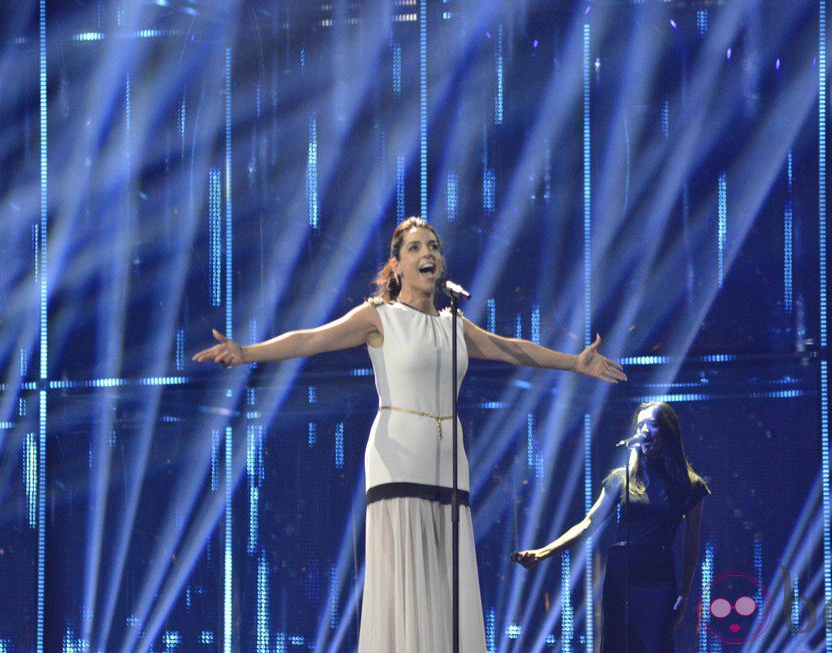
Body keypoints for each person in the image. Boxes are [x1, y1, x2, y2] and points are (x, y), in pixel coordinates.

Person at [193, 217, 627, 652]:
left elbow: (511, 348)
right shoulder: (380, 317)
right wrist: (246, 352)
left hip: (449, 462)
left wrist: (574, 363)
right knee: (407, 582)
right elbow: (312, 339)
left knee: (446, 581)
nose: (429, 255)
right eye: (416, 248)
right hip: (398, 458)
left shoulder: (453, 323)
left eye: (434, 247)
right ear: (396, 265)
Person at [511, 401, 709, 653]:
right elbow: (588, 524)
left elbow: (691, 544)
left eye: (653, 424)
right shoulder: (622, 478)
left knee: (655, 644)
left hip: (657, 576)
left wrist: (685, 590)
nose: (644, 430)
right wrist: (542, 553)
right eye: (640, 425)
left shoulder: (689, 485)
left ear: (668, 432)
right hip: (620, 574)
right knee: (618, 644)